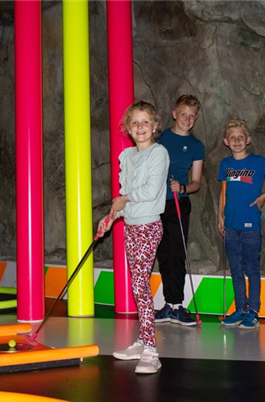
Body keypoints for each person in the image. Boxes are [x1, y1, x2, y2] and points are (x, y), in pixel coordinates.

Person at [97, 100, 169, 374]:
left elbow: (150, 191)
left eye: (145, 122)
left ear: (155, 126)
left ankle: (151, 350)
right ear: (128, 128)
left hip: (149, 226)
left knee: (139, 284)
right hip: (130, 226)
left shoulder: (158, 153)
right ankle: (141, 342)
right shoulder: (127, 156)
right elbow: (124, 196)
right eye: (135, 122)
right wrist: (110, 218)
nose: (140, 127)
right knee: (137, 285)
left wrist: (122, 200)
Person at [217, 119, 265, 329]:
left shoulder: (258, 162)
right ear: (226, 141)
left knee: (251, 269)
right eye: (232, 137)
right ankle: (240, 309)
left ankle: (253, 312)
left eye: (241, 137)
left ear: (248, 139)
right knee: (236, 269)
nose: (237, 141)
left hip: (250, 225)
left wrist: (264, 197)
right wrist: (220, 215)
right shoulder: (225, 164)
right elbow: (223, 191)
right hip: (230, 225)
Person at [154, 94, 205, 326]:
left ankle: (178, 305)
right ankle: (168, 305)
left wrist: (182, 187)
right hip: (156, 204)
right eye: (183, 114)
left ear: (195, 119)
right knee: (163, 254)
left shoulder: (196, 146)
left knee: (177, 254)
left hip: (178, 203)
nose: (187, 119)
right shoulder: (160, 137)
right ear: (174, 114)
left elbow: (196, 182)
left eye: (191, 116)